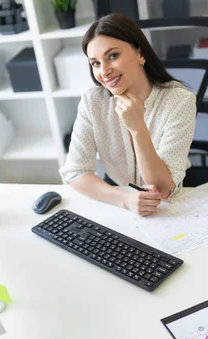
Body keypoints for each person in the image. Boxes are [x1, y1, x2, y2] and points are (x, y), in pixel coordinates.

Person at [58, 13, 197, 217]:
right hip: (121, 202)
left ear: (140, 53)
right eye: (95, 63)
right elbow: (76, 172)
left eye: (113, 56)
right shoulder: (93, 100)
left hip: (171, 205)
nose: (104, 71)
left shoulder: (179, 100)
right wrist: (124, 199)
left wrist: (138, 127)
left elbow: (162, 188)